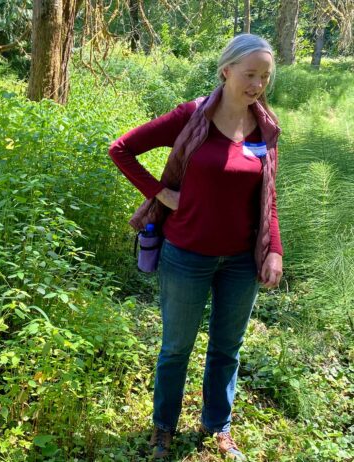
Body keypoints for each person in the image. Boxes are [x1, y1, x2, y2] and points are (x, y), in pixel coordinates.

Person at [108, 34, 284, 460]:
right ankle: (163, 427)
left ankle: (217, 426)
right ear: (226, 71)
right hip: (186, 256)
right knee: (176, 348)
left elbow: (268, 197)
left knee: (227, 348)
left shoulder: (266, 127)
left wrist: (274, 248)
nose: (257, 84)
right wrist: (161, 194)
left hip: (241, 261)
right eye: (249, 74)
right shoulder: (191, 117)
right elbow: (122, 149)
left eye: (264, 76)